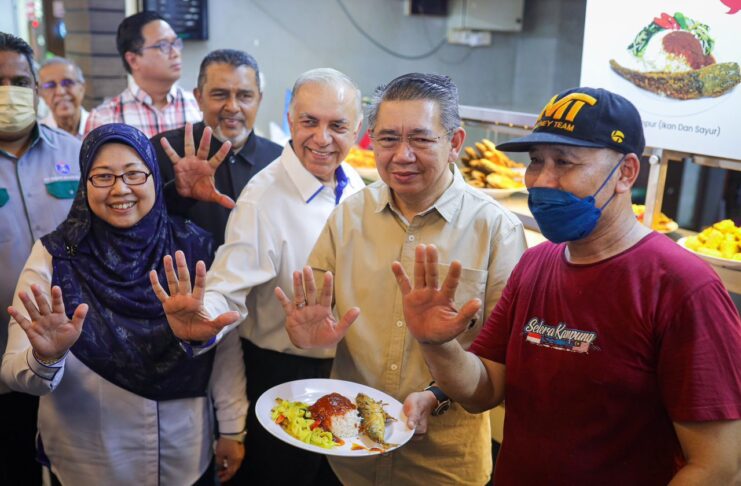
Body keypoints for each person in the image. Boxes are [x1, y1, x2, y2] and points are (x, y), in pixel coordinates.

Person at [393, 87, 741, 485]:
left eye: (564, 162)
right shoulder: (535, 264)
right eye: (536, 161)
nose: (542, 180)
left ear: (626, 173)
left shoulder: (684, 287)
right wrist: (437, 345)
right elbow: (483, 391)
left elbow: (719, 467)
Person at [271, 73, 528, 485]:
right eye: (388, 139)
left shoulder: (496, 230)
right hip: (347, 457)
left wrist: (437, 393)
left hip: (442, 468)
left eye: (421, 139)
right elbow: (315, 315)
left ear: (455, 143)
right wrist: (306, 335)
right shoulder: (349, 215)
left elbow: (497, 376)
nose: (402, 155)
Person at [150, 68, 366, 485]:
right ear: (290, 120)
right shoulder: (263, 197)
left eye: (337, 126)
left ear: (356, 130)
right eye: (310, 122)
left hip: (347, 371)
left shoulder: (355, 184)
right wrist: (202, 316)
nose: (322, 138)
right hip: (284, 374)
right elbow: (227, 286)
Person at [1, 124, 247, 485]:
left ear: (154, 177)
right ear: (84, 184)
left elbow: (223, 345)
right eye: (103, 176)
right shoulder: (55, 257)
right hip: (88, 459)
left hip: (184, 453)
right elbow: (12, 370)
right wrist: (45, 358)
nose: (120, 189)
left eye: (134, 174)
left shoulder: (191, 246)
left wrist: (232, 427)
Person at [0, 32, 81, 486]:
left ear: (35, 88)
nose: (9, 92)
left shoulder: (77, 153)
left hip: (76, 358)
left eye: (19, 82)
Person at [152, 49, 281, 246]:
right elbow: (143, 225)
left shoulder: (280, 160)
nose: (233, 107)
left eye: (245, 96)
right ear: (199, 98)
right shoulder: (161, 151)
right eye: (220, 95)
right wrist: (178, 193)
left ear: (259, 99)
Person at [85, 11, 201, 137]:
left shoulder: (199, 106)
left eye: (176, 43)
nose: (176, 53)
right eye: (163, 45)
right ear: (133, 60)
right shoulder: (105, 119)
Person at [39, 57, 89, 138]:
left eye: (67, 82)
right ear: (41, 94)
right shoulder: (38, 136)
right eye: (50, 85)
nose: (60, 92)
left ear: (82, 88)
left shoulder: (101, 127)